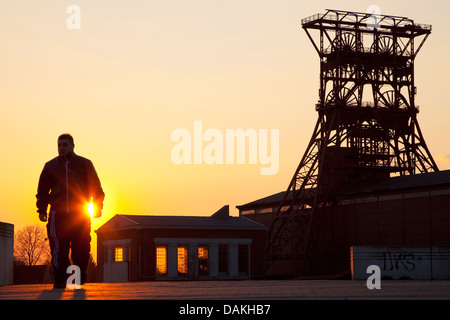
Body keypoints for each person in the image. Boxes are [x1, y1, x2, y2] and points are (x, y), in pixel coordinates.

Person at [36, 133, 105, 288]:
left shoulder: (85, 164)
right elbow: (42, 191)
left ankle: (78, 279)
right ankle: (60, 280)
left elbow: (96, 187)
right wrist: (42, 210)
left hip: (79, 213)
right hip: (57, 215)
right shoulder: (50, 166)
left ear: (73, 146)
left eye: (65, 145)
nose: (61, 148)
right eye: (59, 145)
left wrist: (97, 207)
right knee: (59, 248)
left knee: (81, 248)